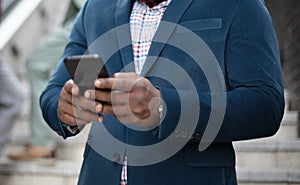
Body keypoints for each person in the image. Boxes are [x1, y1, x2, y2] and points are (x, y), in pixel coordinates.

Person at [40, 0, 285, 184]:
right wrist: (65, 109)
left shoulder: (239, 4)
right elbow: (54, 91)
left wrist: (163, 106)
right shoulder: (96, 7)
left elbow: (265, 104)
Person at [7, 0, 85, 160]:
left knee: (36, 63)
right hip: (82, 17)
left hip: (87, 18)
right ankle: (41, 141)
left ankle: (41, 142)